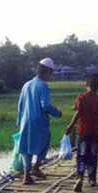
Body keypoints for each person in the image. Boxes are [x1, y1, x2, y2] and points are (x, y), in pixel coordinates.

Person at [17, 57, 62, 185]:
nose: (51, 76)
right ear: (47, 72)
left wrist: (19, 120)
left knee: (26, 146)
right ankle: (36, 167)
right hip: (38, 121)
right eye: (51, 73)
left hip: (25, 120)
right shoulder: (43, 86)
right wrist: (57, 113)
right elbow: (46, 105)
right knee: (45, 141)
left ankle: (27, 175)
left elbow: (20, 105)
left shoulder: (27, 84)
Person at [66, 74, 98, 192]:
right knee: (92, 156)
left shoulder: (81, 98)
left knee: (81, 156)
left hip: (83, 132)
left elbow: (77, 113)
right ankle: (92, 179)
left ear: (86, 84)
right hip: (95, 132)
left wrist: (70, 126)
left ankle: (80, 177)